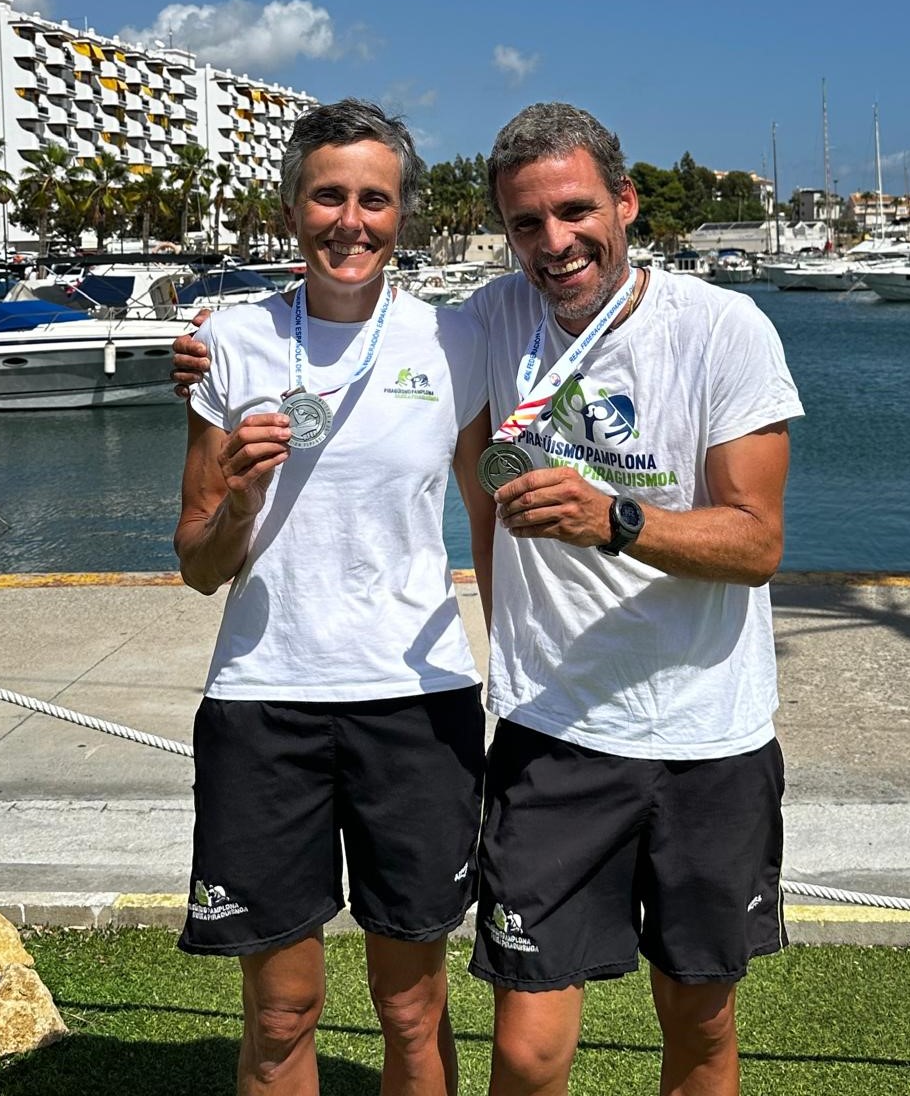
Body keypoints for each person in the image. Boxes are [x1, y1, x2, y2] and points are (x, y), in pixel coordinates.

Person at [175, 101, 804, 1096]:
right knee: (481, 1043)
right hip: (526, 728)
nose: (554, 243)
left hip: (672, 733)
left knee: (690, 1022)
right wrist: (219, 389)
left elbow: (756, 541)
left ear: (626, 204)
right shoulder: (429, 329)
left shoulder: (698, 329)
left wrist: (616, 519)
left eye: (575, 213)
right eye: (526, 225)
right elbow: (214, 538)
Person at [173, 97, 494, 1096]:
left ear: (402, 214)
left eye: (374, 199)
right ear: (291, 208)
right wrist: (240, 496)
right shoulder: (228, 343)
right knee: (281, 1012)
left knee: (411, 1010)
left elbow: (492, 527)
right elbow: (196, 559)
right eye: (328, 197)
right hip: (266, 701)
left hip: (419, 703)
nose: (350, 221)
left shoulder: (455, 345)